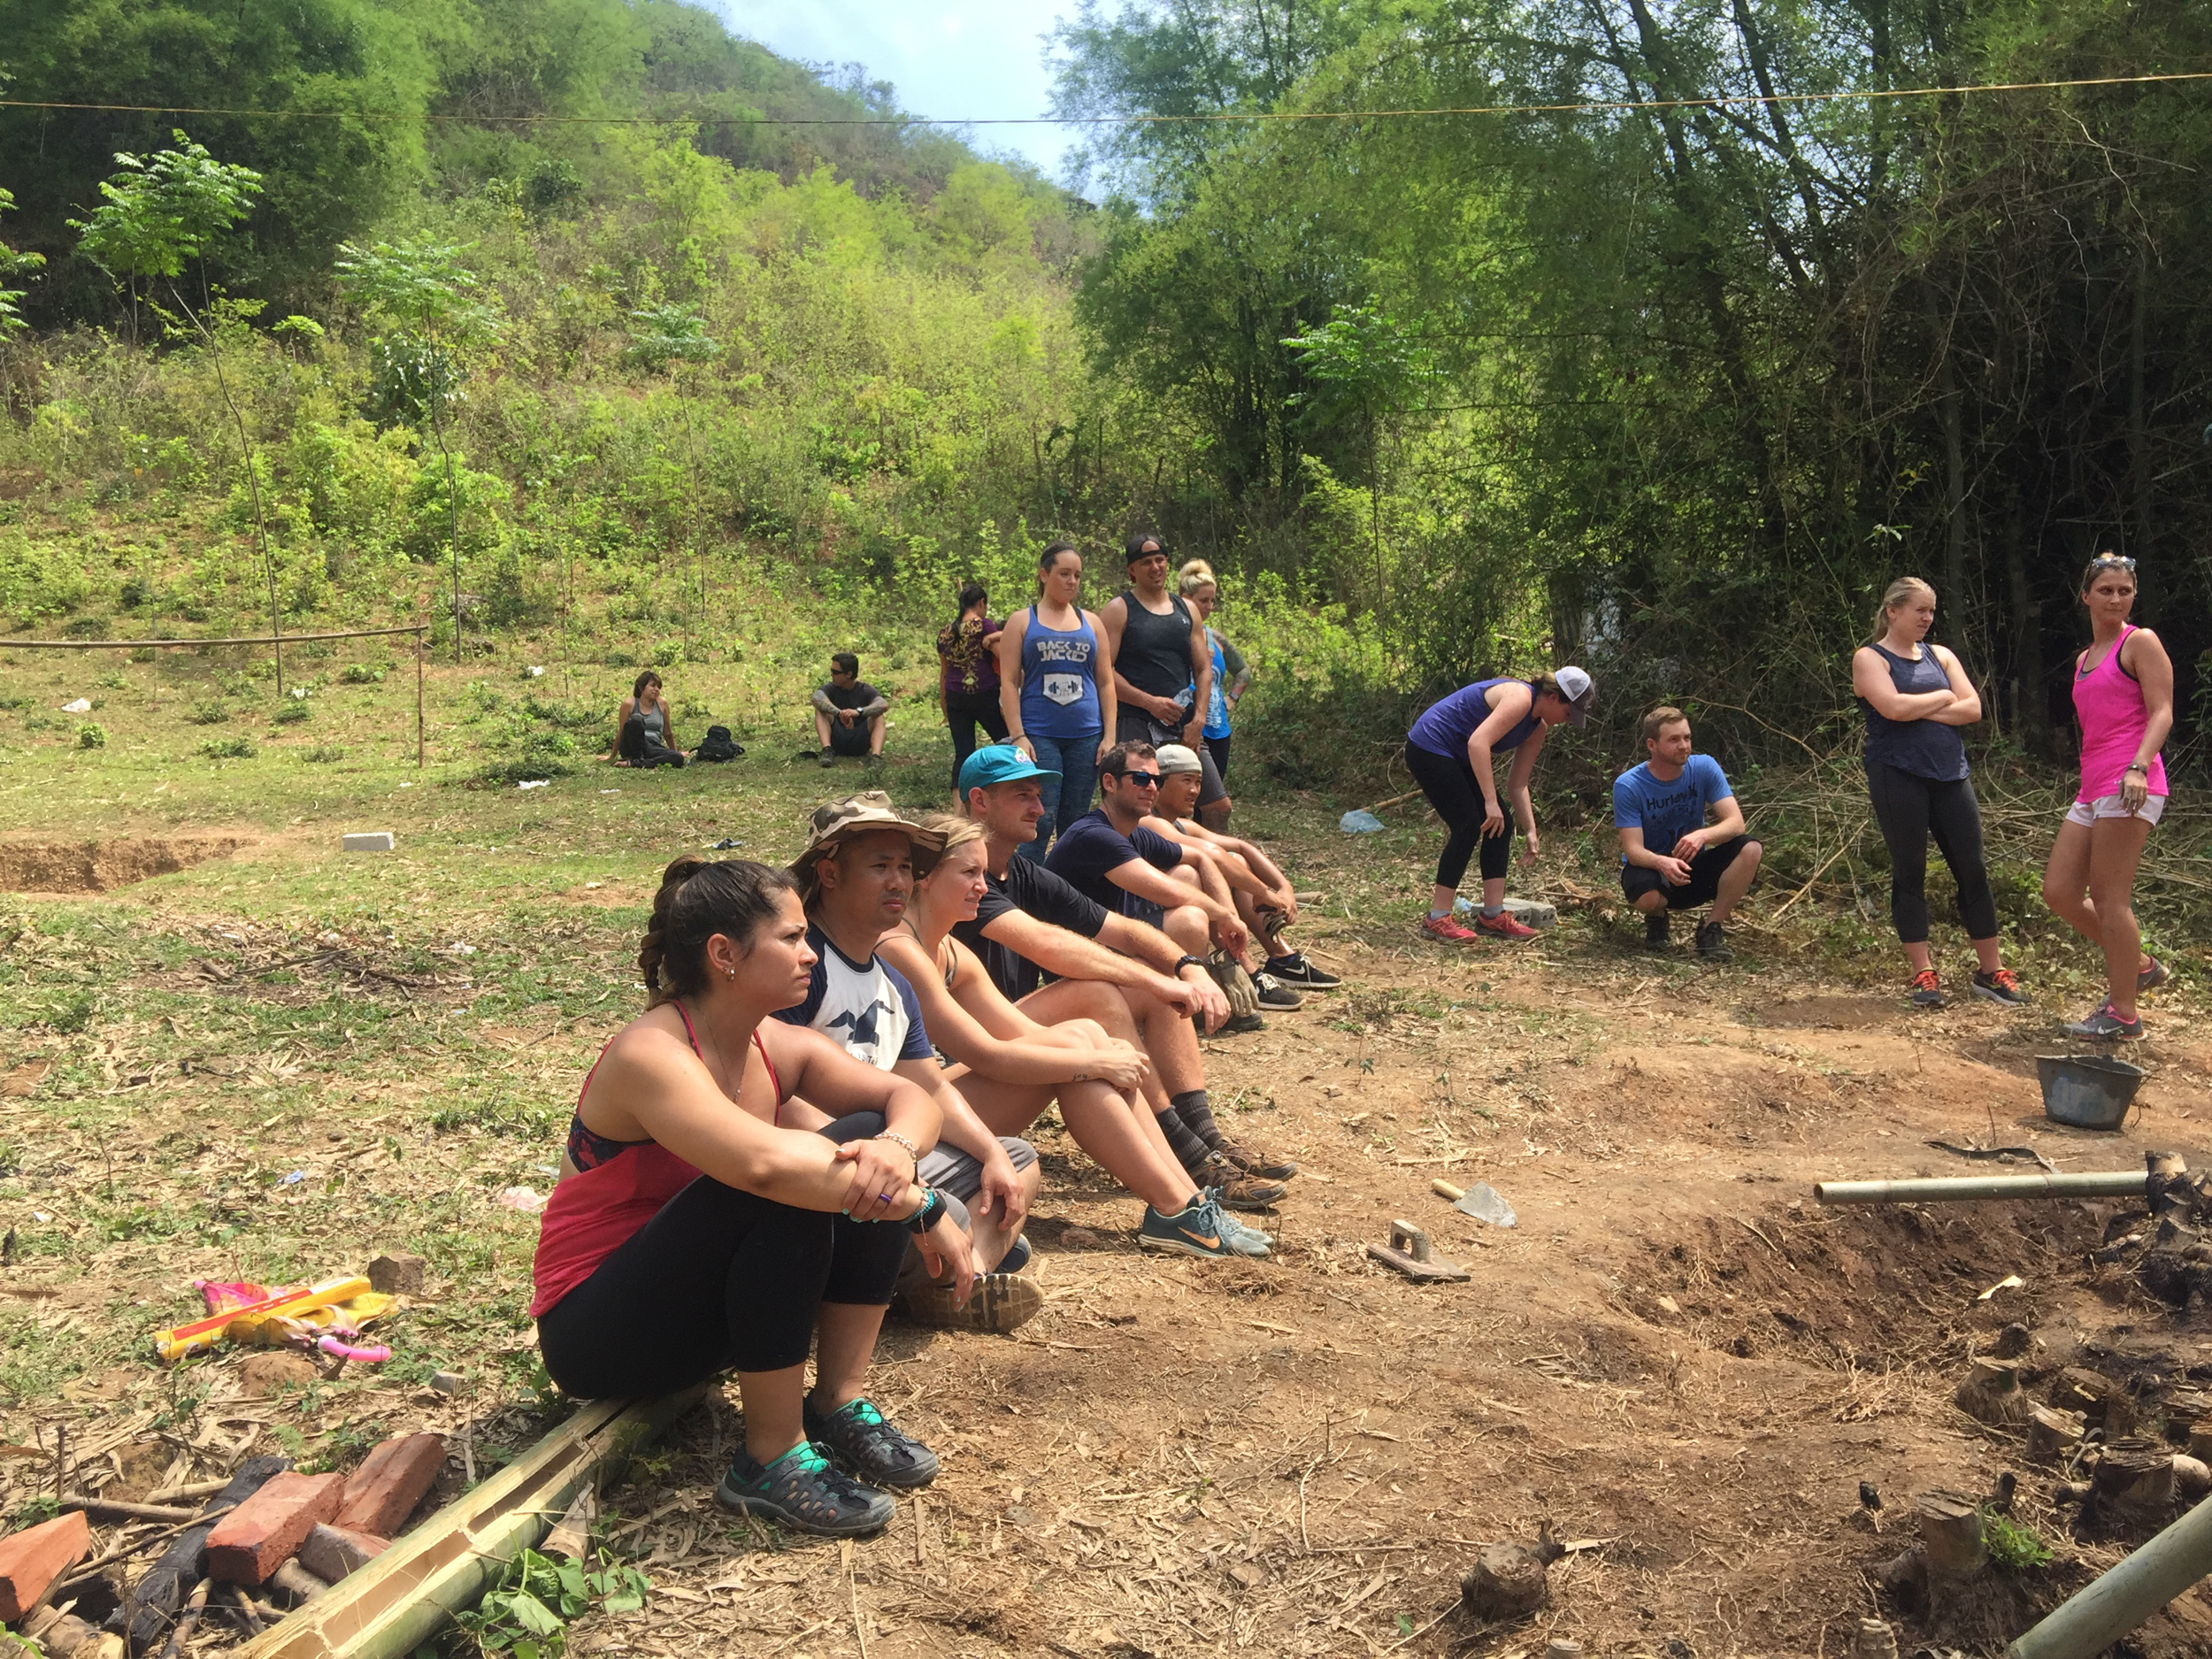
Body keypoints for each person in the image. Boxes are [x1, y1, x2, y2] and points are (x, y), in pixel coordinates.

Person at [529, 857, 973, 1538]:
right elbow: (762, 1167)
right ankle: (769, 1457)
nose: (810, 953)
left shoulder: (774, 1041)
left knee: (863, 1141)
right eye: (793, 938)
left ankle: (838, 1400)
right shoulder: (651, 1052)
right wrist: (922, 1204)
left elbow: (910, 1095)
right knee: (784, 1184)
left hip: (699, 1313)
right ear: (724, 954)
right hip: (598, 1331)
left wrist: (900, 1152)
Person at [879, 814, 1269, 1259]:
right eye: (969, 873)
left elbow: (1021, 1033)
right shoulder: (899, 949)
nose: (983, 886)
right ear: (925, 878)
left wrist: (1099, 1048)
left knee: (1083, 1034)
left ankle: (1189, 1202)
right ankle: (1175, 1208)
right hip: (903, 1117)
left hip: (937, 1100)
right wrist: (1093, 1063)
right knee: (1079, 1060)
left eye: (983, 874)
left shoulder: (950, 950)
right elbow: (988, 1055)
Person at [954, 745, 1298, 1204]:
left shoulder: (1021, 870)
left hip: (1002, 1036)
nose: (1040, 808)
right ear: (980, 801)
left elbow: (1122, 928)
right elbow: (1045, 944)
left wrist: (1186, 966)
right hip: (960, 1068)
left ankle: (1204, 1140)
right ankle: (1185, 1158)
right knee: (1100, 994)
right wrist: (1158, 976)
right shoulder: (959, 878)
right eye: (1023, 796)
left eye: (1039, 795)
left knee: (1149, 989)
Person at [777, 795, 1043, 1333]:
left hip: (891, 1156)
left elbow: (931, 1088)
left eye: (905, 867)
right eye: (879, 866)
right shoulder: (803, 968)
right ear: (828, 874)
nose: (898, 881)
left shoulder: (894, 983)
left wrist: (989, 1152)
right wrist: (899, 1182)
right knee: (956, 1211)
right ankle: (934, 1266)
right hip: (826, 1170)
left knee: (1016, 1163)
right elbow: (777, 1102)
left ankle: (964, 1284)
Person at [1852, 578, 2026, 1009]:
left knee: (1973, 869)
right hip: (1897, 774)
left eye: (1931, 611)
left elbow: (1974, 710)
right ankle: (1923, 974)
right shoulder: (1869, 658)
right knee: (1909, 871)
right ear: (1893, 611)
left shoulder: (1941, 655)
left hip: (1951, 774)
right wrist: (1944, 695)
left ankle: (1990, 971)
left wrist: (1923, 705)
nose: (1928, 619)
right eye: (1919, 610)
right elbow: (1891, 708)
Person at [1045, 741, 1302, 1018]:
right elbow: (1169, 893)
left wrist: (1229, 921)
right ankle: (1198, 999)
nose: (1152, 788)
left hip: (1113, 937)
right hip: (1077, 960)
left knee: (1187, 873)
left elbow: (1204, 858)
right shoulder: (1094, 834)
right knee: (1190, 920)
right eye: (1141, 779)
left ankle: (1210, 983)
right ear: (1109, 783)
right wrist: (1227, 917)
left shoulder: (1134, 832)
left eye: (1156, 780)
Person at [2041, 553, 2175, 1041]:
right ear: (2086, 596)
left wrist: (2139, 766)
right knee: (2058, 891)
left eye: (2124, 590)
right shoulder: (2083, 659)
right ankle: (2136, 964)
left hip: (2132, 781)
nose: (2116, 598)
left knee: (2109, 899)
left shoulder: (2140, 642)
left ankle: (2124, 1014)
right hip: (2093, 785)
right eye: (2106, 590)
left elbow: (2162, 712)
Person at [1404, 666, 1596, 942]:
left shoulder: (1536, 729)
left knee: (1499, 825)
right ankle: (1437, 918)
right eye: (1569, 714)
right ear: (1554, 697)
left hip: (1459, 753)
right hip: (1429, 745)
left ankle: (1492, 915)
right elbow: (1478, 743)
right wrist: (1490, 802)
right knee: (1468, 825)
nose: (1567, 721)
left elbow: (1517, 784)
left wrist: (1530, 828)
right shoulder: (1520, 697)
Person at [1145, 744, 1339, 988]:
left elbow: (1240, 847)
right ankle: (1243, 970)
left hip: (1182, 918)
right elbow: (1211, 855)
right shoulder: (1148, 822)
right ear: (1159, 784)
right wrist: (1262, 892)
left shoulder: (1181, 824)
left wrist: (1284, 886)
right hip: (1153, 924)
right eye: (1186, 781)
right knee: (1197, 873)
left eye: (1198, 782)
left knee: (1235, 861)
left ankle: (1282, 959)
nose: (1195, 790)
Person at [1612, 708, 1763, 961]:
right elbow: (1633, 850)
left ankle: (1711, 929)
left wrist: (1702, 836)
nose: (1683, 746)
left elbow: (1736, 823)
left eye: (1687, 738)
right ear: (1652, 745)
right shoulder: (1629, 785)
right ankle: (1657, 919)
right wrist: (1662, 862)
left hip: (1692, 869)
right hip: (1652, 870)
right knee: (1648, 898)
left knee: (1750, 848)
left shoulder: (1703, 767)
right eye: (1673, 740)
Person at [995, 541, 1115, 859]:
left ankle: (1067, 891)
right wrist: (1018, 735)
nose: (1072, 581)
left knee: (1075, 822)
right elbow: (1007, 682)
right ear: (1044, 574)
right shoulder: (1022, 621)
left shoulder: (1092, 623)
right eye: (1064, 573)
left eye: (1077, 575)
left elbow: (1105, 682)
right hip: (1038, 733)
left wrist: (1110, 736)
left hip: (1087, 735)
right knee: (1039, 816)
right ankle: (1024, 890)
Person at [1102, 534, 1232, 826]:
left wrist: (1198, 720)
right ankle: (1138, 865)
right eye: (1146, 562)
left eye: (1160, 560)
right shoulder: (1119, 610)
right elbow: (1103, 671)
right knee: (1141, 806)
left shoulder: (1187, 611)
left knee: (1216, 805)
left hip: (1183, 724)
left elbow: (1203, 668)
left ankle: (1203, 862)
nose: (1155, 567)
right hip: (1135, 721)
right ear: (1132, 570)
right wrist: (1149, 702)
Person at [1179, 559, 1247, 830]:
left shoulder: (1215, 637)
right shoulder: (1172, 633)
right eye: (1202, 601)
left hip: (1219, 728)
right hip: (1187, 724)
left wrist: (1233, 698)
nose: (1208, 607)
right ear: (1186, 600)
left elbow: (1242, 670)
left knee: (1208, 799)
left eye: (1212, 601)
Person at [938, 583, 1007, 800]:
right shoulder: (983, 625)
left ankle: (958, 811)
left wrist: (944, 704)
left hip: (955, 696)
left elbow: (944, 673)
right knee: (1007, 742)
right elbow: (1003, 657)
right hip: (984, 692)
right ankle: (1007, 794)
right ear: (981, 603)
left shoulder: (945, 633)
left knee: (963, 752)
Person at [813, 654, 887, 767]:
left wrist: (858, 712)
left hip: (860, 740)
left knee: (879, 717)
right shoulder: (830, 688)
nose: (831, 674)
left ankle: (876, 757)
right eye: (831, 670)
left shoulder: (865, 690)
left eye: (836, 672)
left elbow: (883, 705)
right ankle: (827, 750)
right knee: (820, 711)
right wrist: (840, 713)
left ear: (849, 674)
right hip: (838, 738)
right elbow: (817, 698)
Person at [614, 671, 686, 768]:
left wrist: (675, 752)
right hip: (632, 746)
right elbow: (622, 732)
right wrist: (612, 755)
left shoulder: (662, 704)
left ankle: (635, 763)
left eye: (658, 687)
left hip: (652, 747)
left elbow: (667, 733)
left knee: (677, 758)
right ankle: (637, 759)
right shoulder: (629, 704)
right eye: (653, 686)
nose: (656, 690)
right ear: (641, 687)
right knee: (636, 719)